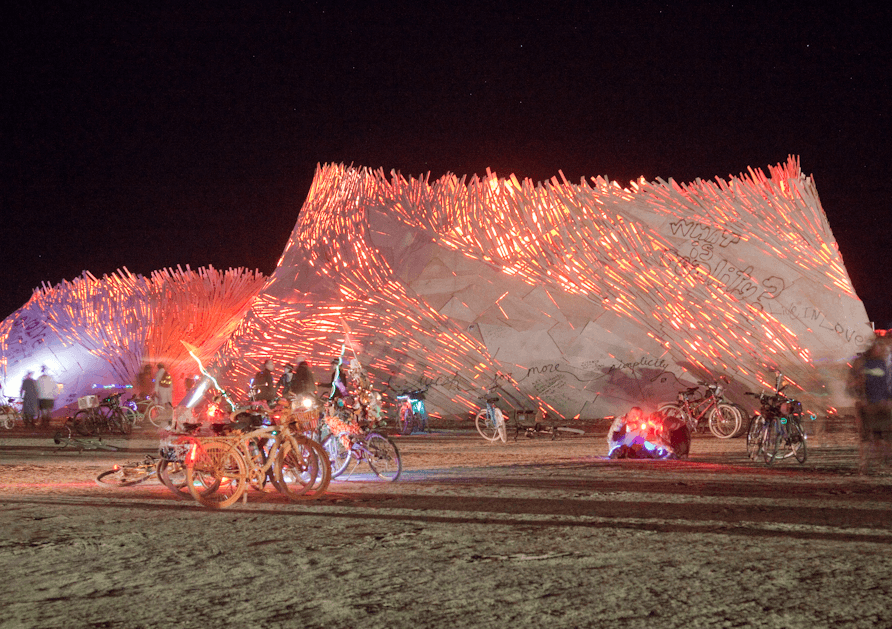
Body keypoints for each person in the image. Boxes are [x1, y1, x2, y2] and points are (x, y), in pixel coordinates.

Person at [848, 335, 892, 474]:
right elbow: (851, 384)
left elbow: (885, 384)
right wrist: (861, 398)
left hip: (880, 405)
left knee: (882, 435)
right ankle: (864, 465)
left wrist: (888, 399)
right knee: (866, 437)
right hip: (866, 406)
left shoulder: (881, 363)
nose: (884, 350)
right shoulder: (861, 362)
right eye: (881, 347)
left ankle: (884, 461)